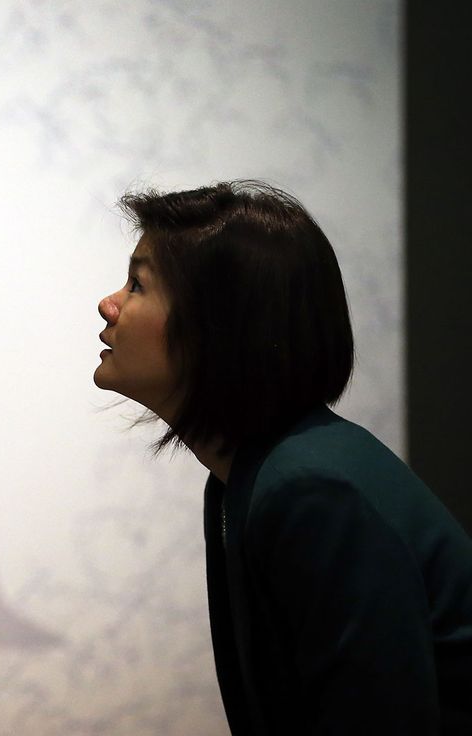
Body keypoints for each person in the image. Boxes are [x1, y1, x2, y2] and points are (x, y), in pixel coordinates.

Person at [93, 180, 472, 734]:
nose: (109, 304)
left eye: (137, 284)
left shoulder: (310, 488)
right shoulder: (248, 477)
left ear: (217, 327)